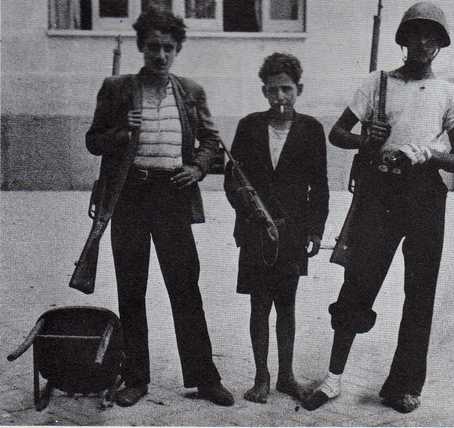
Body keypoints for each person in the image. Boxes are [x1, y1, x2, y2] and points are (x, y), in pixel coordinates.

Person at [303, 2, 454, 414]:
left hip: (425, 195)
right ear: (403, 39)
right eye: (415, 33)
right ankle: (334, 378)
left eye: (432, 35)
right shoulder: (377, 84)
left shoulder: (449, 93)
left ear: (440, 44)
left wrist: (429, 155)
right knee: (358, 282)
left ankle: (404, 385)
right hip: (379, 192)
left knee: (420, 290)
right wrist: (366, 139)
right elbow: (337, 133)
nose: (423, 42)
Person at [85, 6, 234, 407]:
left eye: (168, 48)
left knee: (184, 287)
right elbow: (93, 141)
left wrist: (198, 168)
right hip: (130, 195)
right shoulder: (117, 89)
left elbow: (211, 142)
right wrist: (121, 132)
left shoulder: (190, 91)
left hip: (172, 197)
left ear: (178, 49)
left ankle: (204, 378)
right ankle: (135, 378)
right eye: (153, 47)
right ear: (140, 47)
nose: (161, 56)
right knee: (132, 288)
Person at [224, 52, 329, 403]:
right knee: (258, 305)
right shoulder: (249, 126)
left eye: (286, 89)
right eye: (272, 90)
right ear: (263, 91)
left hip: (293, 234)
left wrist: (315, 230)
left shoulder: (312, 129)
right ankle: (261, 378)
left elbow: (321, 186)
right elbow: (232, 180)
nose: (279, 97)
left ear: (298, 89)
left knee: (287, 305)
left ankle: (286, 376)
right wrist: (252, 214)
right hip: (255, 233)